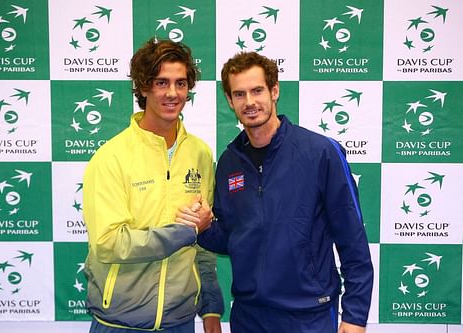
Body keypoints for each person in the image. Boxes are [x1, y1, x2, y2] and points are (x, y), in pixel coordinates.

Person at [176, 51, 373, 333]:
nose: (250, 102)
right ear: (230, 101)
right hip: (249, 316)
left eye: (257, 91)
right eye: (240, 94)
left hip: (309, 315)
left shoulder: (321, 153)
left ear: (275, 91)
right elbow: (234, 237)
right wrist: (202, 228)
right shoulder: (229, 162)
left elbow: (353, 239)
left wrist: (355, 316)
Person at [82, 38, 224, 333]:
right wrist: (184, 232)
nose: (173, 93)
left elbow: (204, 242)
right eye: (161, 82)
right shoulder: (111, 157)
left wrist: (211, 309)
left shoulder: (200, 153)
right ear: (143, 87)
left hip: (181, 322)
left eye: (181, 83)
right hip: (120, 323)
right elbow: (109, 244)